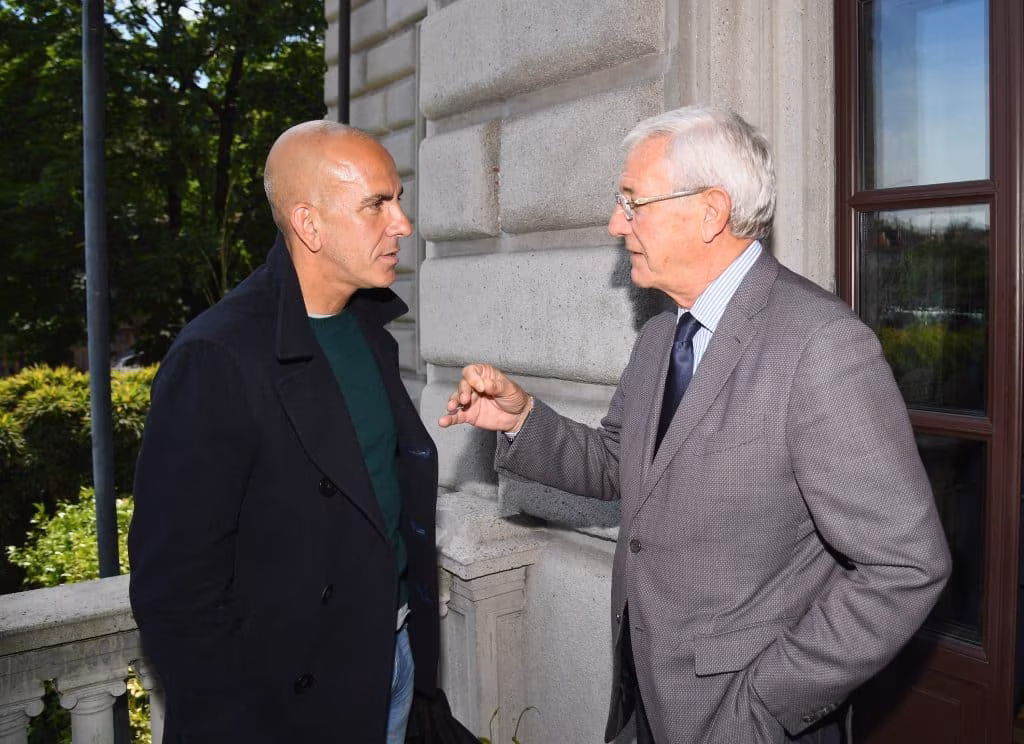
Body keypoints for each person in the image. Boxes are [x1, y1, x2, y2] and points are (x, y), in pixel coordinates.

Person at [439, 105, 951, 744]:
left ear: (711, 210)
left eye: (632, 203)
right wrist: (522, 420)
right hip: (644, 698)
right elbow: (621, 464)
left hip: (745, 719)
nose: (614, 224)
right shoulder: (660, 334)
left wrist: (764, 702)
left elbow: (904, 566)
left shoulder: (820, 345)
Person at [128, 121, 440, 743]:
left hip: (392, 660)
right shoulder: (215, 355)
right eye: (377, 204)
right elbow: (177, 588)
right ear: (309, 224)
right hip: (288, 706)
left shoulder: (368, 329)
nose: (402, 224)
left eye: (397, 200)